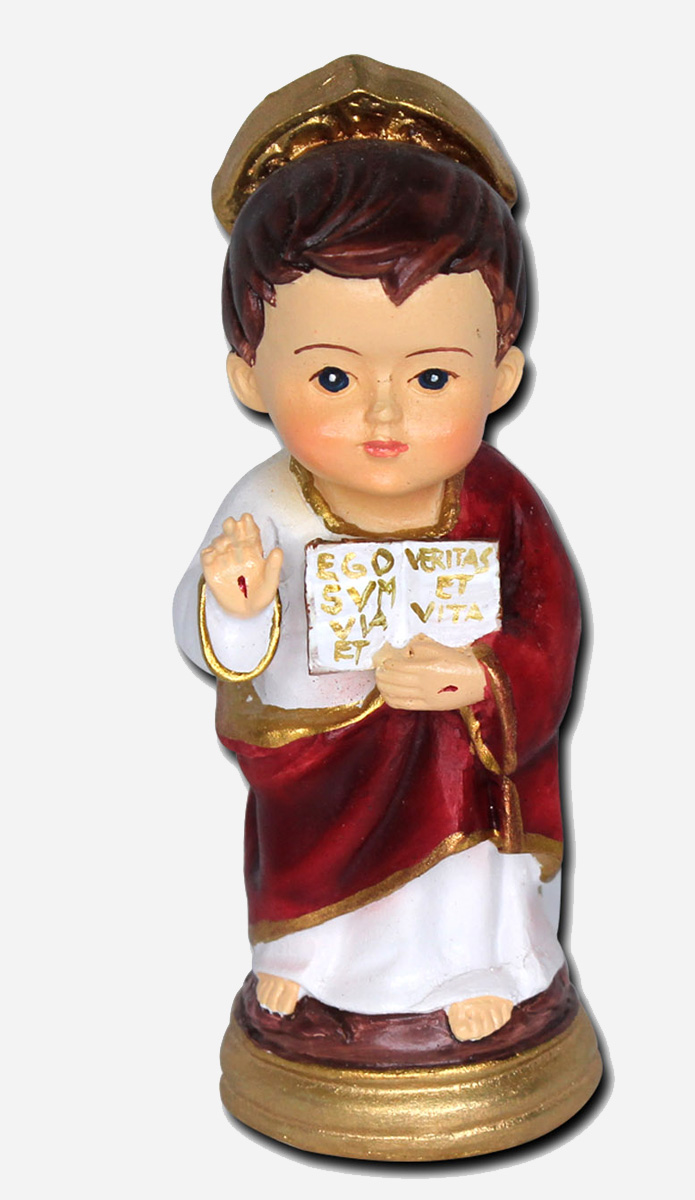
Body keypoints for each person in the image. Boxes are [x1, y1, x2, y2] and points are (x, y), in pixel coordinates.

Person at [174, 135, 581, 1046]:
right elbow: (203, 630)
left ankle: (473, 963)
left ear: (500, 376)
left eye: (433, 377)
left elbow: (551, 626)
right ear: (250, 375)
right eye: (333, 377)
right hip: (318, 751)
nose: (385, 413)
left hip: (451, 753)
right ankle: (310, 952)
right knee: (308, 845)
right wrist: (236, 605)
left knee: (460, 817)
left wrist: (482, 680)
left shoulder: (498, 501)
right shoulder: (268, 503)